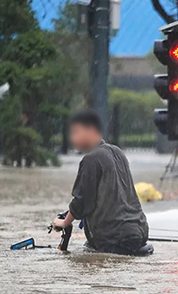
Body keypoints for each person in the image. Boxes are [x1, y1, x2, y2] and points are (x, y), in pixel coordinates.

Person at [52, 109, 149, 255]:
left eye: (76, 132)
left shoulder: (91, 159)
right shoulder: (118, 152)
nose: (73, 138)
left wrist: (64, 222)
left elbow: (82, 201)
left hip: (113, 238)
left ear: (91, 131)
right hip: (140, 232)